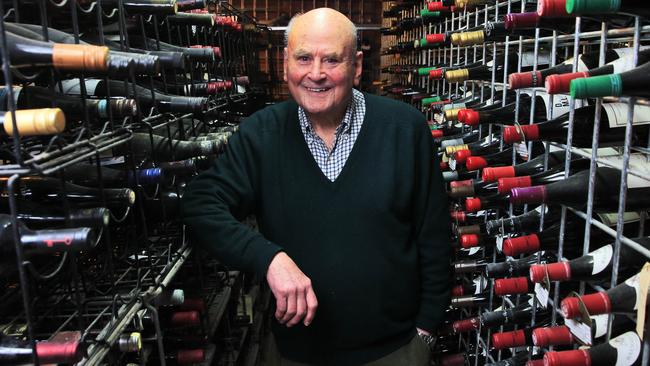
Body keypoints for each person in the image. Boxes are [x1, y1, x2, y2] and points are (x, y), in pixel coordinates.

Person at [182, 7, 451, 366]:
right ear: (285, 62)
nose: (316, 74)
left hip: (394, 351)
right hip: (297, 355)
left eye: (332, 60)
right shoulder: (262, 135)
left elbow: (433, 236)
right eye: (304, 58)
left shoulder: (404, 129)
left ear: (356, 66)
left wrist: (425, 332)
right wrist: (270, 259)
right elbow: (201, 202)